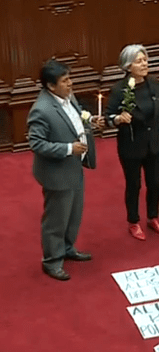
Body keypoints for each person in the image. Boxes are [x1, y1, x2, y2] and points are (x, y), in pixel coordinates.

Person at [27, 59, 105, 280]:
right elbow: (37, 144)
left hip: (74, 167)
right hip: (57, 173)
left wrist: (90, 125)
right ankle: (51, 261)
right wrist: (69, 148)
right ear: (51, 86)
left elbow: (75, 122)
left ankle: (68, 248)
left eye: (70, 78)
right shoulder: (41, 110)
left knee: (73, 214)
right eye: (65, 80)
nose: (71, 83)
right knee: (56, 219)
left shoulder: (67, 97)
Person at [105, 45, 159, 240]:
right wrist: (118, 119)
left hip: (154, 142)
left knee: (154, 183)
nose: (144, 64)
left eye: (145, 60)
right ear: (128, 65)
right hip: (131, 144)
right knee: (134, 185)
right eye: (139, 61)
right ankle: (133, 221)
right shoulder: (119, 89)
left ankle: (153, 217)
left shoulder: (153, 83)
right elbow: (108, 118)